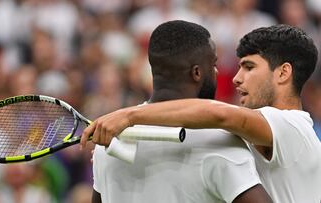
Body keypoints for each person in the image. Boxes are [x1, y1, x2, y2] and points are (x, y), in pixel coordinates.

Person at [81, 24, 321, 203]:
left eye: (249, 67)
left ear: (283, 73)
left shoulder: (293, 126)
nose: (236, 79)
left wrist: (129, 117)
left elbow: (221, 115)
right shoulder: (232, 142)